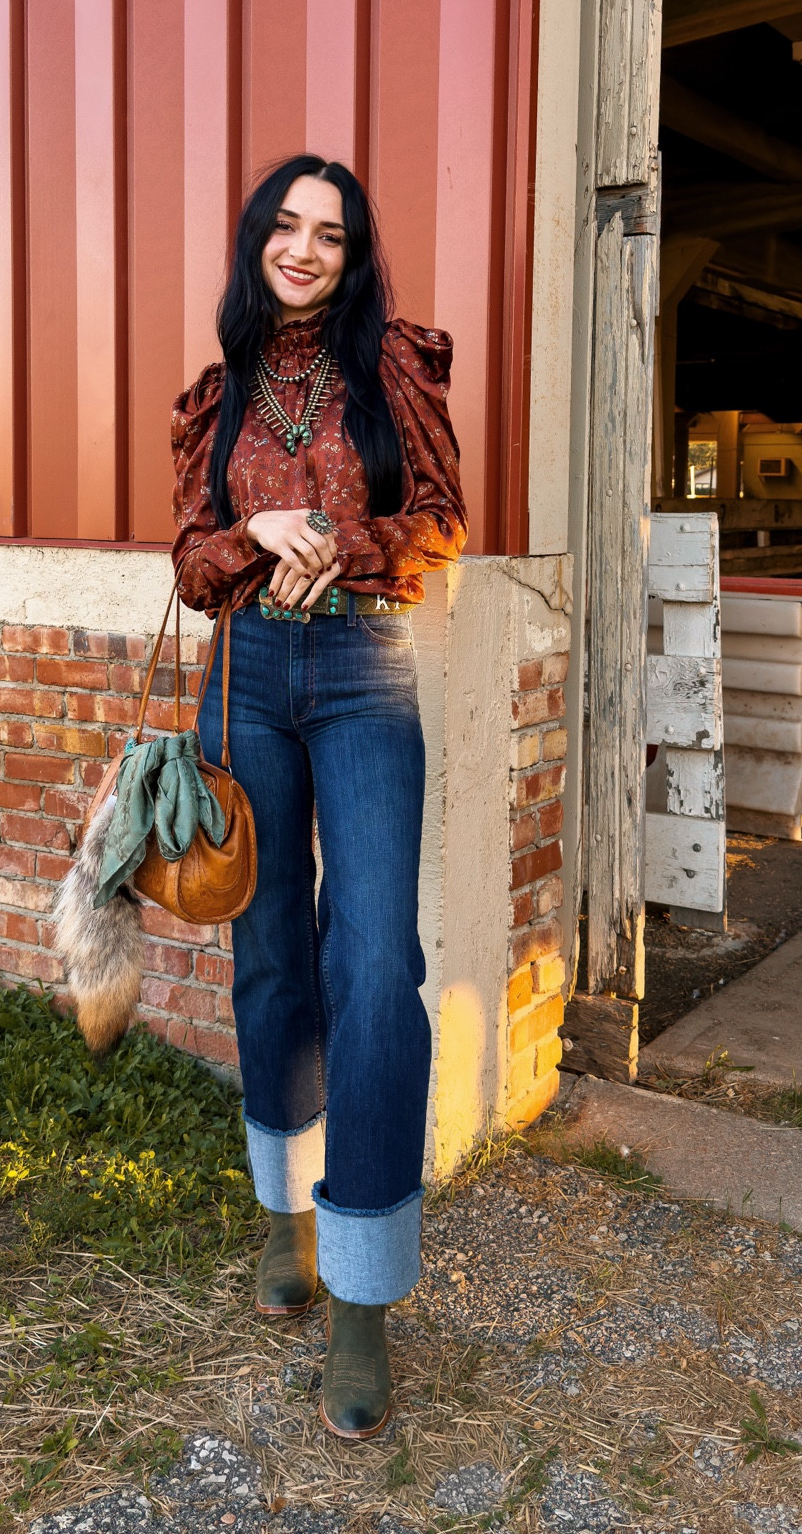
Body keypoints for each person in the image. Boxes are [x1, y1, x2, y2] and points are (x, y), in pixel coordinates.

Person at [171, 155, 466, 1440]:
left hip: (360, 664)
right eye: (286, 226)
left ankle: (362, 1296)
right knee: (271, 955)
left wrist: (339, 540)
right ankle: (284, 1219)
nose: (305, 247)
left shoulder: (392, 365)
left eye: (330, 233)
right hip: (243, 669)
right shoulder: (220, 392)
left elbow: (447, 518)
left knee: (375, 966)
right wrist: (256, 535)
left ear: (354, 253)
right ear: (258, 240)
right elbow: (187, 556)